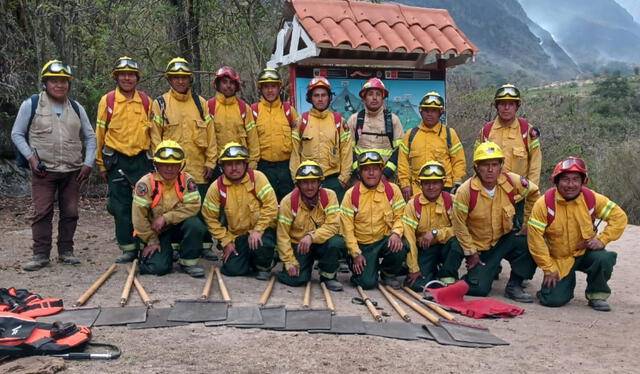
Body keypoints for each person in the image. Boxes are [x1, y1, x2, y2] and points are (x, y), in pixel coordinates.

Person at [11, 60, 96, 271]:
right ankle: (40, 255)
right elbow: (17, 133)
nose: (59, 85)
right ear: (45, 83)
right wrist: (31, 158)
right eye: (54, 81)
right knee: (42, 212)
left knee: (71, 212)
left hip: (72, 171)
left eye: (64, 81)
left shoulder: (76, 107)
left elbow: (91, 137)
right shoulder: (31, 104)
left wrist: (88, 163)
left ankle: (66, 252)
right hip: (43, 171)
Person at [527, 157, 627, 311]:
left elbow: (619, 217)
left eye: (575, 180)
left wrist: (602, 240)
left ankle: (597, 295)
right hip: (559, 259)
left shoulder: (591, 198)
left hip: (585, 252)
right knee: (552, 301)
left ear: (583, 182)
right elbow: (535, 240)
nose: (570, 185)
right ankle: (554, 290)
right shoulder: (544, 204)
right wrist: (548, 268)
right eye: (565, 180)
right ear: (556, 181)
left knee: (604, 258)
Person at [451, 142, 539, 301]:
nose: (490, 170)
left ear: (501, 166)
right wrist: (471, 252)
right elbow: (459, 225)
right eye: (485, 165)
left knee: (529, 240)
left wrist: (528, 223)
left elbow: (534, 192)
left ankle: (515, 284)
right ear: (477, 167)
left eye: (494, 164)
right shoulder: (465, 191)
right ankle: (472, 277)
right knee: (480, 289)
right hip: (480, 246)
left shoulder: (512, 181)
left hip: (504, 238)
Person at [150, 57, 217, 260]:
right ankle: (176, 245)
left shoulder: (201, 104)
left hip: (198, 168)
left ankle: (204, 245)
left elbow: (211, 135)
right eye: (176, 78)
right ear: (169, 80)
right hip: (171, 170)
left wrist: (211, 161)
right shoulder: (160, 104)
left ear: (190, 80)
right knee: (173, 207)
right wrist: (159, 167)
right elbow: (155, 137)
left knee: (201, 208)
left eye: (184, 78)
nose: (180, 81)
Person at [95, 57, 153, 263]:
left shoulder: (146, 101)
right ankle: (128, 248)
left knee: (145, 204)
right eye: (123, 74)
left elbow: (154, 134)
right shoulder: (108, 101)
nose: (127, 78)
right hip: (117, 161)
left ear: (137, 78)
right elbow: (100, 133)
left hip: (142, 161)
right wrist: (101, 163)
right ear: (116, 77)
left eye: (131, 75)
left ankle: (146, 243)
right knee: (121, 206)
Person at [201, 143, 278, 280]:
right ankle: (247, 260)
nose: (234, 168)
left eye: (238, 163)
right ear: (222, 167)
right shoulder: (216, 187)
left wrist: (258, 230)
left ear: (245, 164)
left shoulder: (258, 178)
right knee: (232, 270)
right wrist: (226, 241)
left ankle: (265, 265)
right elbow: (209, 218)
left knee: (262, 245)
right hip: (235, 236)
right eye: (229, 164)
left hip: (260, 233)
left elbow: (271, 206)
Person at [131, 141, 206, 277]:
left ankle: (188, 263)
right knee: (159, 268)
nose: (170, 169)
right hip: (154, 232)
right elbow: (138, 218)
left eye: (174, 165)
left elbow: (193, 207)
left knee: (195, 225)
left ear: (180, 165)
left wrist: (166, 218)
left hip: (177, 227)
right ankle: (153, 254)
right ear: (156, 165)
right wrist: (151, 240)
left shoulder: (187, 181)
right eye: (165, 164)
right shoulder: (145, 184)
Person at [474, 84, 541, 227]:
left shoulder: (527, 131)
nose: (506, 108)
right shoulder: (486, 131)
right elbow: (476, 163)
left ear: (517, 107)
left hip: (519, 197)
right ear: (497, 106)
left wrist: (530, 191)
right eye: (502, 104)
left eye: (511, 104)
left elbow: (535, 164)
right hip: (491, 194)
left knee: (521, 234)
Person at [340, 150, 407, 289]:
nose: (371, 173)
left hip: (383, 241)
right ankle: (362, 268)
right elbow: (347, 229)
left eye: (375, 169)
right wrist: (356, 253)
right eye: (366, 169)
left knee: (403, 245)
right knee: (367, 283)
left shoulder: (392, 190)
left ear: (381, 170)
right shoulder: (351, 195)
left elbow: (400, 217)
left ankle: (387, 274)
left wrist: (396, 233)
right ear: (360, 172)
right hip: (362, 245)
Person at [276, 161, 344, 290]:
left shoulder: (329, 196)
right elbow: (282, 235)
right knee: (297, 280)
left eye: (313, 182)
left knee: (336, 242)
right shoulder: (288, 201)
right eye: (305, 182)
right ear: (298, 184)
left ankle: (328, 276)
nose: (310, 187)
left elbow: (333, 225)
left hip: (321, 242)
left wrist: (311, 236)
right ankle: (288, 268)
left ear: (320, 183)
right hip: (299, 245)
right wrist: (289, 261)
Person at [403, 161, 463, 291]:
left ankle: (447, 276)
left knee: (457, 243)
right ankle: (433, 272)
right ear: (421, 184)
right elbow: (409, 239)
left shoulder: (452, 201)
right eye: (426, 183)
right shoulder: (413, 205)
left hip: (446, 248)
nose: (431, 187)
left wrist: (436, 233)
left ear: (442, 184)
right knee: (417, 286)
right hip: (425, 250)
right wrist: (414, 268)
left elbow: (461, 229)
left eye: (435, 183)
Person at [290, 76, 352, 202]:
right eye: (316, 95)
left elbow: (346, 152)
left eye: (323, 95)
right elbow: (295, 154)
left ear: (329, 97)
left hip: (334, 181)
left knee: (334, 219)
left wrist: (343, 180)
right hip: (307, 181)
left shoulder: (338, 121)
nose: (320, 99)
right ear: (310, 98)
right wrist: (297, 180)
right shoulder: (301, 121)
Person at [398, 91, 465, 201]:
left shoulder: (449, 134)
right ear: (421, 112)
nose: (429, 114)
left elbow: (458, 161)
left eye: (434, 110)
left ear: (440, 112)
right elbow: (402, 161)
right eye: (426, 110)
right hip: (417, 190)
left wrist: (456, 183)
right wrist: (405, 183)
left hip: (445, 188)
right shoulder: (411, 134)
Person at [251, 68, 299, 200]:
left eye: (273, 86)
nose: (270, 90)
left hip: (286, 168)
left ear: (279, 88)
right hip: (263, 167)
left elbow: (297, 143)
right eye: (266, 87)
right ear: (261, 89)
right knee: (266, 203)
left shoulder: (289, 111)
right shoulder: (254, 111)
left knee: (287, 204)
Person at [347, 78, 404, 180]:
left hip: (386, 177)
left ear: (383, 98)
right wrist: (358, 172)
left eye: (378, 94)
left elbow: (399, 150)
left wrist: (386, 173)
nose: (374, 98)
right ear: (364, 98)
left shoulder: (393, 120)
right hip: (360, 177)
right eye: (370, 94)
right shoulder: (354, 120)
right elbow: (347, 149)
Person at [209, 66, 259, 170]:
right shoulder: (209, 106)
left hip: (240, 163)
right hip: (217, 165)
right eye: (224, 82)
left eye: (231, 83)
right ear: (217, 84)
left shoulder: (244, 108)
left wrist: (253, 163)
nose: (228, 86)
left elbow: (252, 138)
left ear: (236, 86)